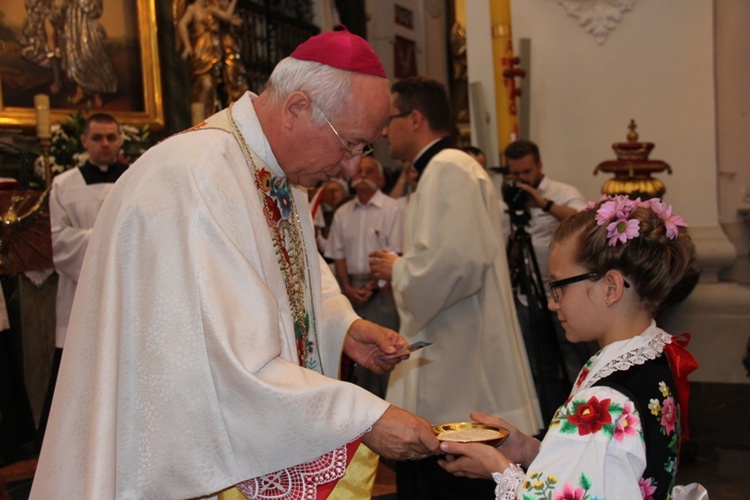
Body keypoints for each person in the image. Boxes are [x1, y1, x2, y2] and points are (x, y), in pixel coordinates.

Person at [30, 29, 439, 500]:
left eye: (363, 149)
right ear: (296, 109)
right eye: (350, 144)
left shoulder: (277, 173)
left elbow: (290, 284)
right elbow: (222, 364)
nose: (351, 167)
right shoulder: (193, 180)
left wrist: (342, 327)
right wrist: (365, 417)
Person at [438, 195, 703, 500]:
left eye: (559, 286)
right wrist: (530, 450)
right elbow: (605, 469)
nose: (552, 303)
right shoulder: (653, 354)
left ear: (611, 288)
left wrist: (501, 470)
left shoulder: (605, 401)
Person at [369, 76, 541, 499]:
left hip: (460, 368)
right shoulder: (443, 169)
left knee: (448, 483)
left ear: (415, 118)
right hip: (453, 353)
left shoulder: (449, 168)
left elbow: (459, 262)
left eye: (389, 120)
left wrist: (400, 269)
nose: (383, 132)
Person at [35, 112, 128, 449]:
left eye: (111, 137)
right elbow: (55, 240)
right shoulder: (64, 185)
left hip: (127, 293)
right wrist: (110, 240)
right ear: (84, 141)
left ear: (120, 140)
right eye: (98, 138)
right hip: (79, 296)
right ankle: (70, 447)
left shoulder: (135, 178)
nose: (105, 144)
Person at [503, 138, 590, 421]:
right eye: (514, 174)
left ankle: (585, 415)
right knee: (539, 366)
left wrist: (544, 204)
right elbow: (508, 257)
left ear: (539, 166)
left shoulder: (562, 192)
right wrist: (518, 224)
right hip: (528, 295)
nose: (521, 181)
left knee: (574, 359)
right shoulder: (509, 200)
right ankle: (551, 421)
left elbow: (586, 221)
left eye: (526, 172)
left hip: (568, 295)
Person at [325, 156, 404, 398]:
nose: (362, 176)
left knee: (386, 353)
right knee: (353, 358)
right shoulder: (342, 213)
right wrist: (347, 288)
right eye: (359, 171)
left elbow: (397, 251)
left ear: (380, 178)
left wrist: (372, 286)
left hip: (383, 290)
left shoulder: (392, 209)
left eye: (370, 171)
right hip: (350, 290)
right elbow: (336, 254)